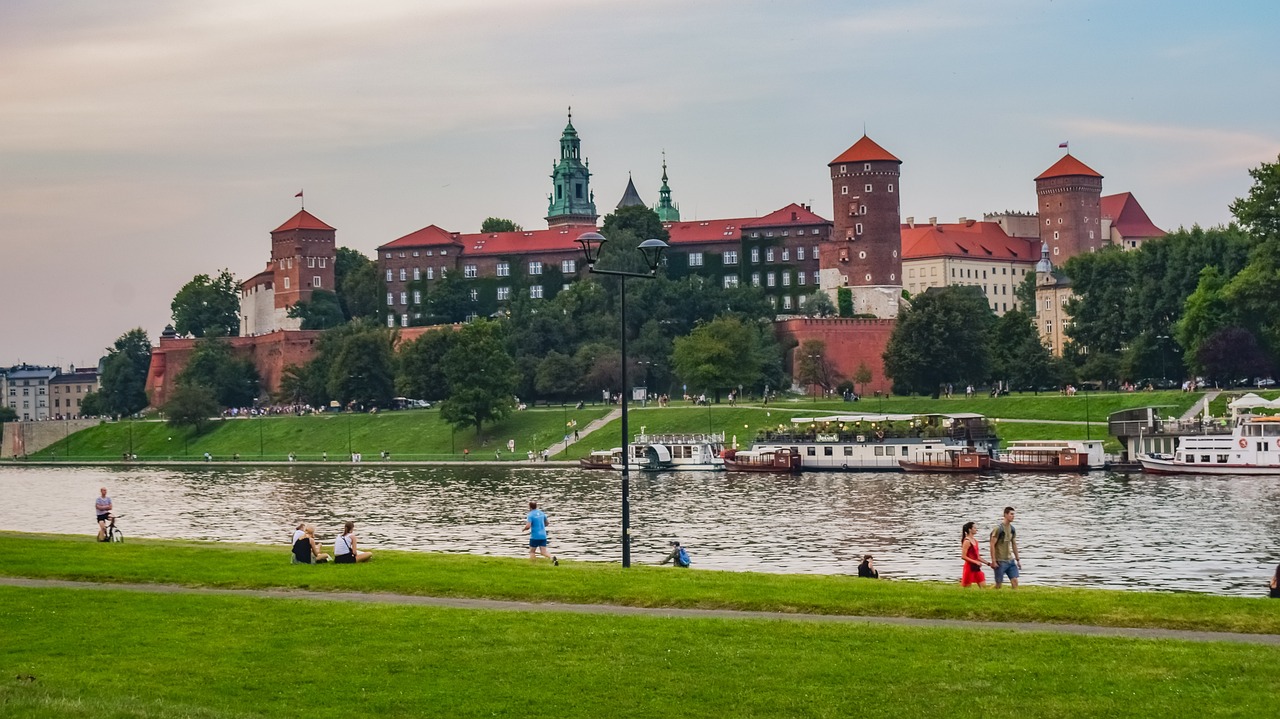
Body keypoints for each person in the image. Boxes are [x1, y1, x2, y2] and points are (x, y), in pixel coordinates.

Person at [989, 506, 1022, 589]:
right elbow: (992, 545)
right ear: (1005, 515)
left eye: (1013, 514)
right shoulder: (998, 529)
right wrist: (993, 561)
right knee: (998, 585)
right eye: (1011, 514)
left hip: (1010, 560)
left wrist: (1017, 560)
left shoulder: (1012, 529)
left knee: (1015, 581)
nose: (1013, 516)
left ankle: (1015, 599)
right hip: (1000, 561)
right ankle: (987, 593)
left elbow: (1014, 544)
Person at [961, 521, 991, 588]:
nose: (976, 529)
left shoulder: (975, 541)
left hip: (976, 567)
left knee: (983, 587)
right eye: (974, 528)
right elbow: (963, 556)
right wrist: (975, 562)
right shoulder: (967, 541)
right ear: (970, 529)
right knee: (967, 588)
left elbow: (977, 556)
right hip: (969, 567)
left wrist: (988, 563)